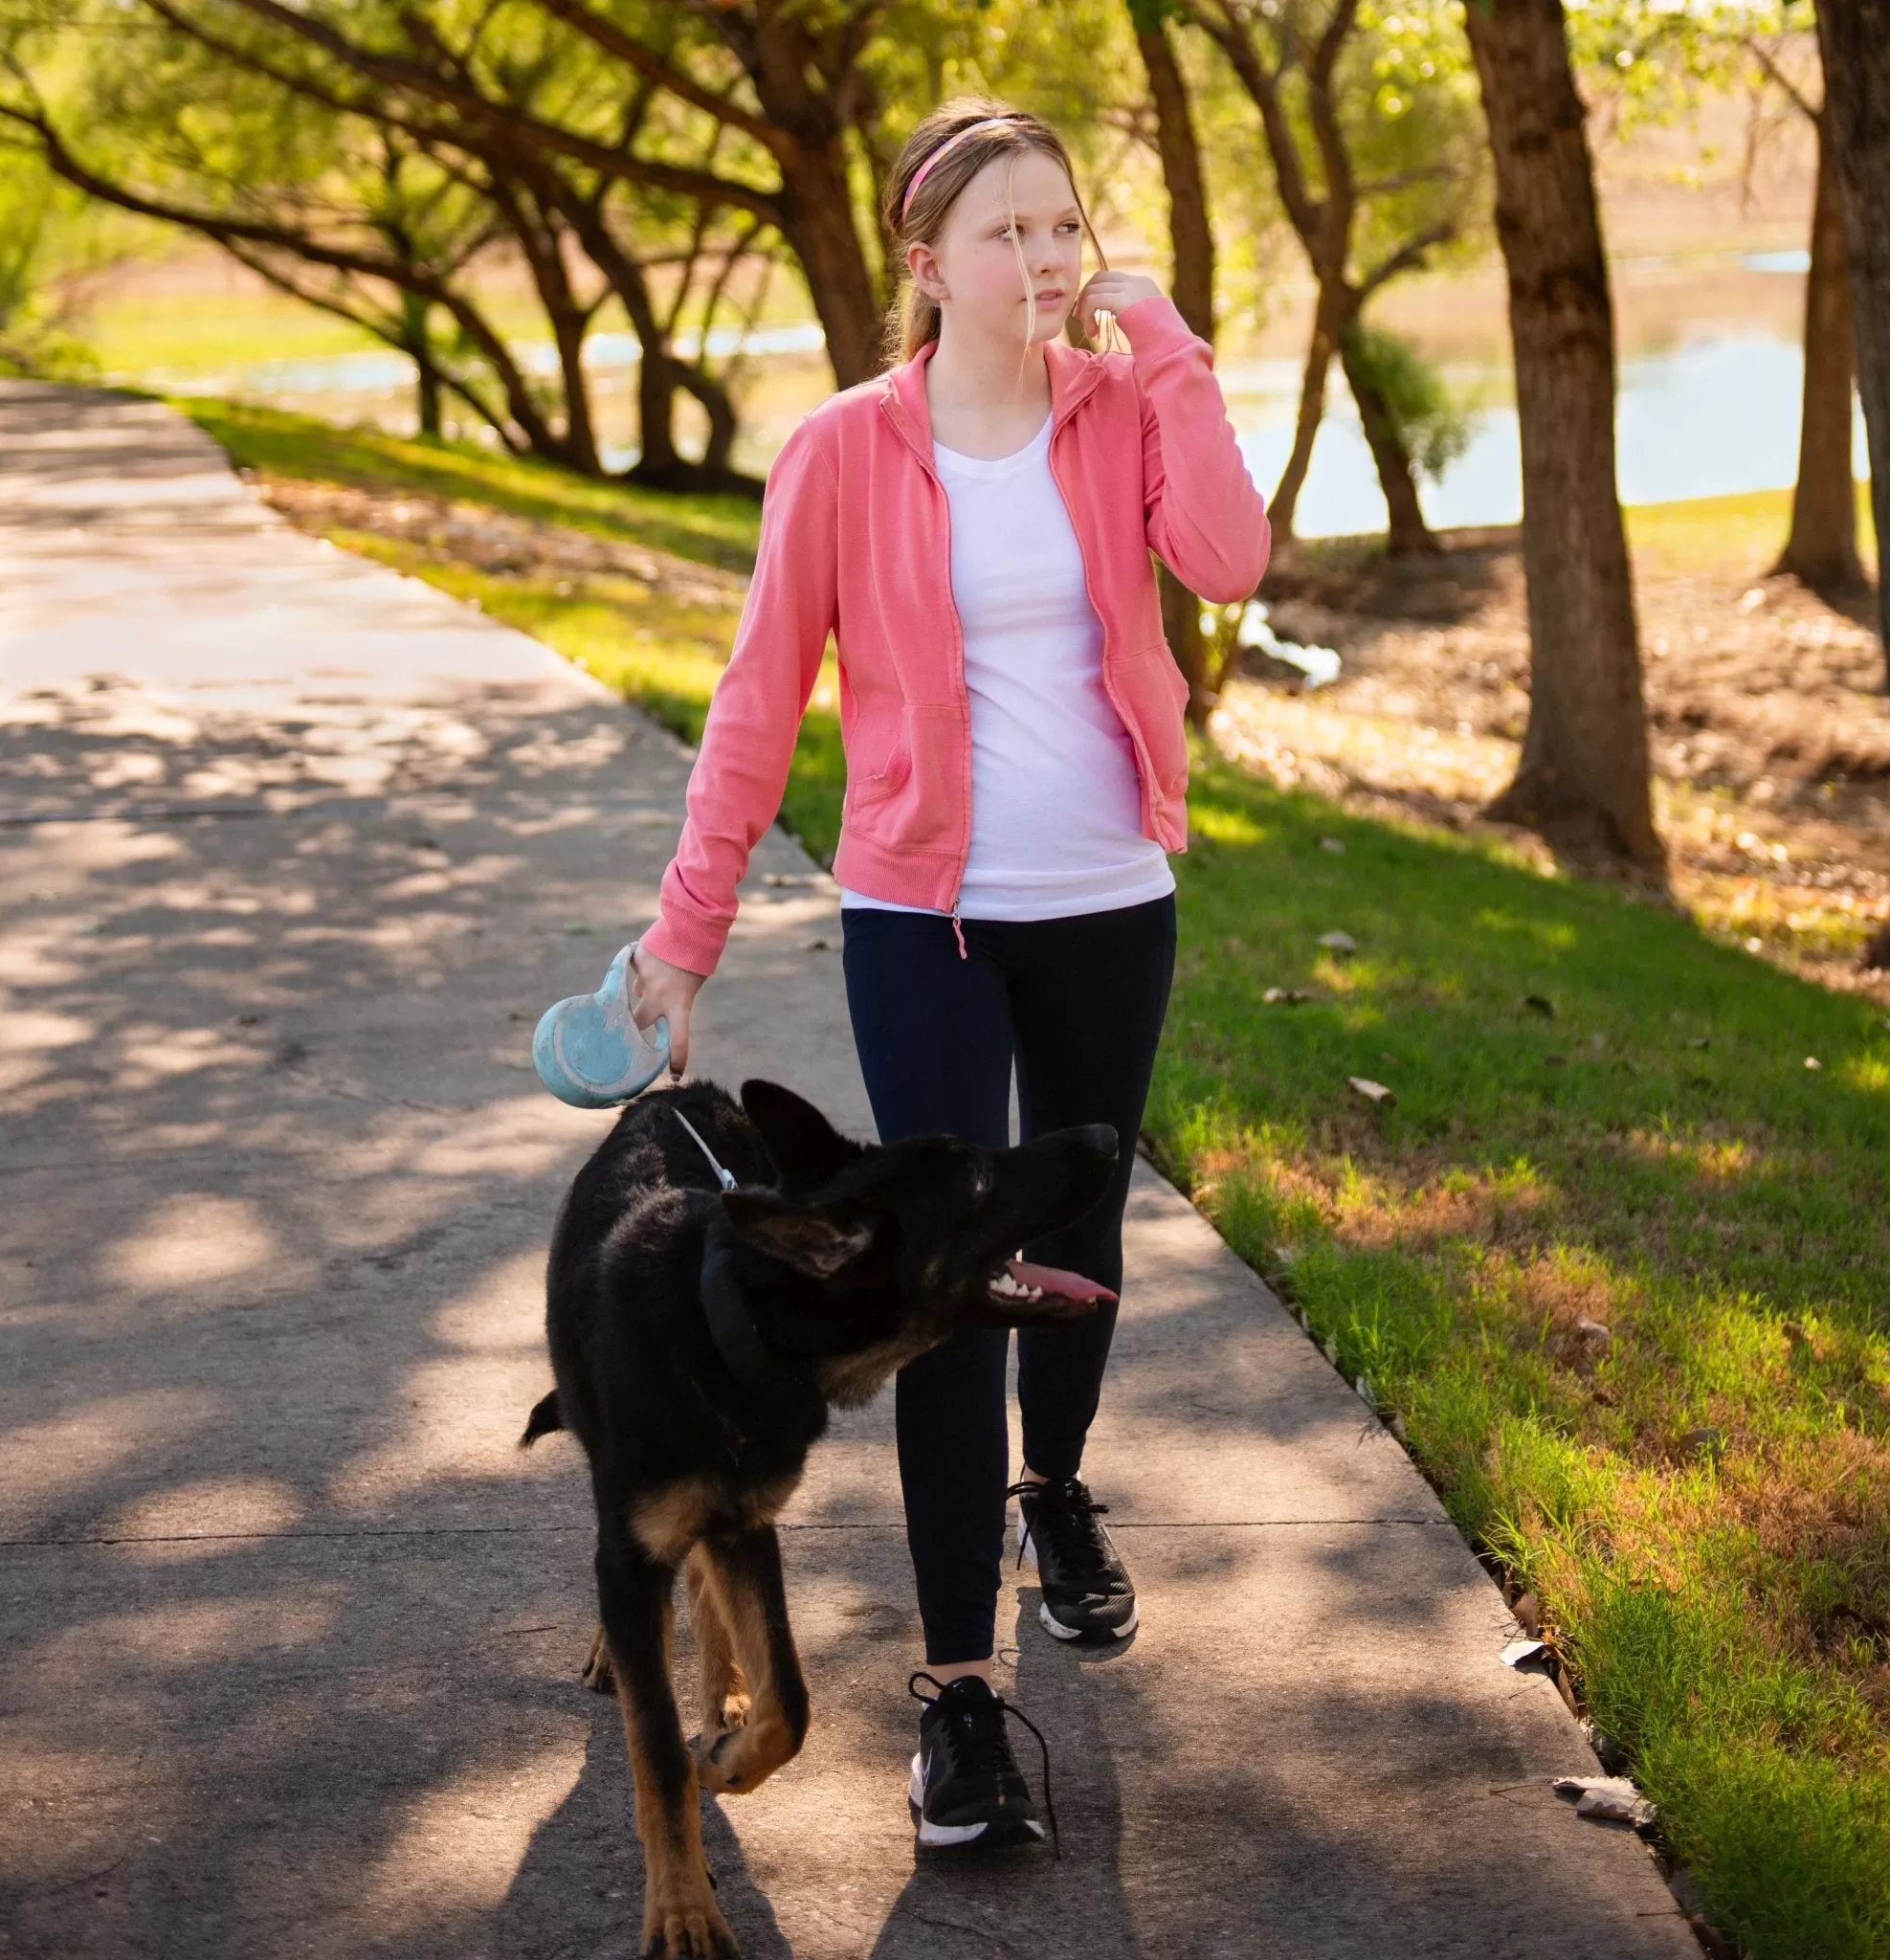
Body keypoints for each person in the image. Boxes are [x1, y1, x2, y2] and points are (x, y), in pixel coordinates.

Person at [627, 96, 1269, 1850]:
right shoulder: (841, 451)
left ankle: (1052, 1490)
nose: (1050, 261)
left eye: (1067, 226)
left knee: (1077, 1230)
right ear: (928, 265)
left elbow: (1228, 558)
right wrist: (683, 937)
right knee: (937, 1277)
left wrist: (1176, 343)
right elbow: (760, 703)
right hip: (927, 914)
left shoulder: (1125, 398)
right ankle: (960, 1695)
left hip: (1111, 894)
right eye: (1012, 235)